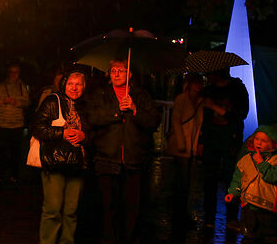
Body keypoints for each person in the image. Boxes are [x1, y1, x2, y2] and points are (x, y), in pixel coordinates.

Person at [88, 59, 160, 244]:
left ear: (130, 74)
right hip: (106, 157)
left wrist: (135, 109)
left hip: (133, 158)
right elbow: (93, 117)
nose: (117, 74)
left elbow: (153, 121)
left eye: (121, 70)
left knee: (132, 206)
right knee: (107, 205)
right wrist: (116, 111)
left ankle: (128, 239)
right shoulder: (101, 93)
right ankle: (109, 238)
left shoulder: (141, 95)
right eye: (113, 70)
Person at [31, 68, 91, 244]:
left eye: (78, 84)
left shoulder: (87, 106)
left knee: (71, 211)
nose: (74, 88)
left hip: (78, 164)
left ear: (84, 86)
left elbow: (95, 131)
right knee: (53, 210)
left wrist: (84, 135)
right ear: (64, 85)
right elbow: (37, 127)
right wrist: (62, 133)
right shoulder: (53, 101)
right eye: (71, 84)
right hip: (55, 163)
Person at [199, 68, 249, 230]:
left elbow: (242, 113)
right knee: (209, 180)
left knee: (231, 179)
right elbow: (204, 119)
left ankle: (232, 218)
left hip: (230, 141)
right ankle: (209, 218)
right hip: (212, 140)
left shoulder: (237, 89)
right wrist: (202, 140)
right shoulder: (209, 90)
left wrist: (217, 108)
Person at [165, 73, 204, 231]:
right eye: (196, 82)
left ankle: (181, 214)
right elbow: (176, 120)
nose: (198, 85)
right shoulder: (182, 98)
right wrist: (182, 143)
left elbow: (198, 125)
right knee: (181, 181)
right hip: (181, 146)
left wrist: (195, 146)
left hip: (191, 147)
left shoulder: (200, 101)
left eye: (200, 82)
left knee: (186, 182)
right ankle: (178, 215)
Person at [225, 125, 277, 243]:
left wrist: (261, 162)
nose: (258, 143)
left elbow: (272, 177)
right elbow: (238, 179)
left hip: (268, 209)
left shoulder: (275, 161)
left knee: (269, 237)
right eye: (256, 139)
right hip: (248, 207)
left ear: (273, 143)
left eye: (263, 141)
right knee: (249, 236)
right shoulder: (246, 159)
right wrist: (233, 192)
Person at [0, 64, 30, 185]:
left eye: (16, 72)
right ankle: (0, 175)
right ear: (8, 73)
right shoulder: (0, 86)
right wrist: (4, 100)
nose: (14, 74)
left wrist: (17, 102)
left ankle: (14, 175)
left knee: (16, 152)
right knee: (1, 151)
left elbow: (27, 102)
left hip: (17, 124)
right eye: (12, 72)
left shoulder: (22, 86)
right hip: (2, 123)